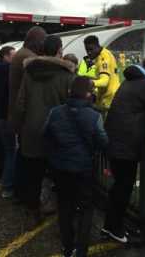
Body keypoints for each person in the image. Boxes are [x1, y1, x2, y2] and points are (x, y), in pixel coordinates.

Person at [101, 55, 145, 243]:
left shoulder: (130, 81)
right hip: (126, 143)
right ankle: (114, 228)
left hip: (114, 139)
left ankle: (110, 224)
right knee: (123, 187)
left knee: (118, 186)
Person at [44, 77, 108, 257]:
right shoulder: (94, 116)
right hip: (83, 168)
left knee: (65, 206)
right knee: (86, 207)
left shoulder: (55, 112)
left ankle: (68, 246)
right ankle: (81, 249)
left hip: (60, 167)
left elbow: (46, 135)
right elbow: (103, 142)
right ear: (88, 94)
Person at [16, 35, 76, 227]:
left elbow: (20, 104)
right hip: (56, 134)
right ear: (59, 50)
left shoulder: (29, 73)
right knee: (61, 177)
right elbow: (72, 106)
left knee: (33, 175)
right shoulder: (67, 75)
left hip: (31, 131)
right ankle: (62, 221)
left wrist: (20, 128)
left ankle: (33, 210)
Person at [6, 26, 47, 200]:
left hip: (18, 113)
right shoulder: (28, 57)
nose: (43, 45)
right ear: (35, 41)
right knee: (28, 158)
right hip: (24, 116)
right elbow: (41, 79)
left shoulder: (22, 54)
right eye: (42, 41)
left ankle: (19, 192)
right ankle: (24, 195)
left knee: (22, 155)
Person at [0, 46, 16, 194]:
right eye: (13, 55)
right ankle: (7, 186)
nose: (15, 59)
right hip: (4, 116)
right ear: (6, 56)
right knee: (10, 151)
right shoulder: (8, 71)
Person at [83, 35, 120, 113]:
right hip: (107, 95)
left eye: (91, 49)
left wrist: (90, 82)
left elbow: (104, 81)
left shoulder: (104, 58)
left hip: (109, 98)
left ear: (97, 46)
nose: (89, 52)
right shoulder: (102, 54)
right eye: (87, 50)